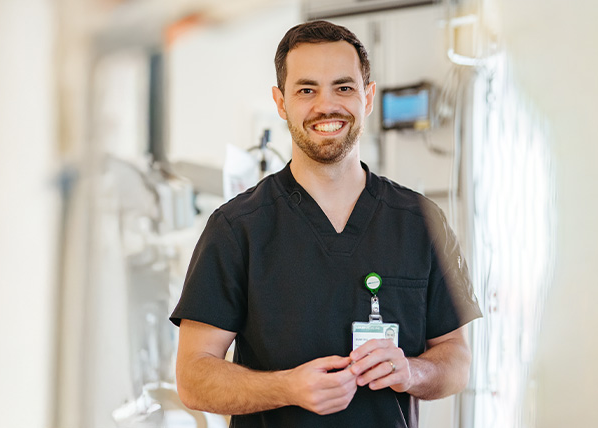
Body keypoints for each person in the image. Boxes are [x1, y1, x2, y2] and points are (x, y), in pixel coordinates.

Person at [170, 20, 482, 428]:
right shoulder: (236, 229)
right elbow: (193, 376)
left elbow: (456, 358)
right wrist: (287, 388)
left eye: (343, 87)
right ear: (281, 103)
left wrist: (411, 371)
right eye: (306, 90)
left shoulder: (421, 222)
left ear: (367, 97)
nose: (326, 105)